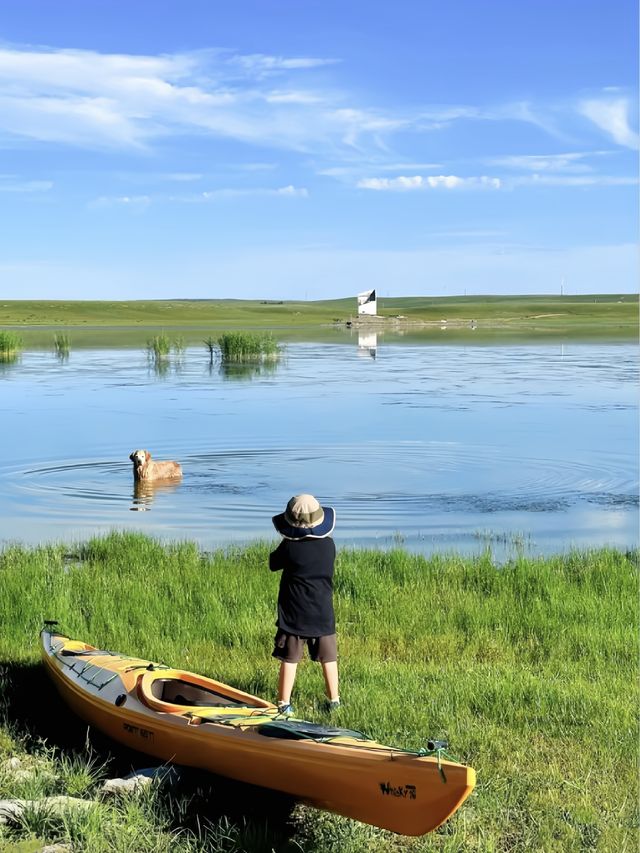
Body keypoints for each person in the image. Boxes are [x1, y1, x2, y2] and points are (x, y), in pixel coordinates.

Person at [269, 494, 340, 715]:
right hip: (322, 613)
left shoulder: (289, 548)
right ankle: (334, 701)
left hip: (294, 615)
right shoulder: (329, 545)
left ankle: (284, 704)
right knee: (328, 658)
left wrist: (286, 543)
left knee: (290, 659)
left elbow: (273, 563)